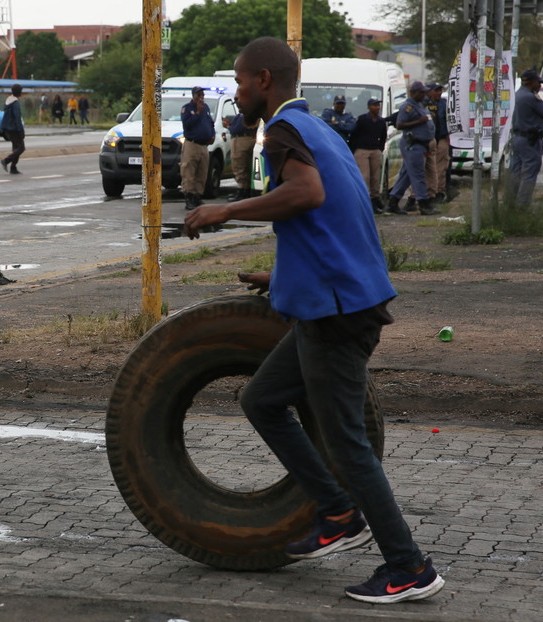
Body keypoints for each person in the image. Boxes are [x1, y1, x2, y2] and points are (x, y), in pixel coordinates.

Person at [184, 37, 445, 605]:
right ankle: (337, 512)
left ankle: (408, 567)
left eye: (240, 79)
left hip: (338, 313)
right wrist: (281, 279)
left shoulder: (281, 132)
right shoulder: (318, 129)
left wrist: (223, 210)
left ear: (264, 81)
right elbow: (334, 220)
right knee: (261, 400)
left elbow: (307, 194)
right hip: (331, 301)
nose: (236, 90)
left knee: (347, 442)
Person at [385, 81, 439, 216]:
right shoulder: (407, 107)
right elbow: (399, 124)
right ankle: (423, 204)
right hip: (413, 144)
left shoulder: (420, 105)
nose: (424, 94)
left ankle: (393, 201)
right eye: (421, 92)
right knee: (418, 174)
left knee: (407, 175)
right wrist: (418, 122)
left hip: (422, 144)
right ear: (413, 93)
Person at [508, 69, 543, 208]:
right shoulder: (531, 96)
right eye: (538, 83)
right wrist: (538, 96)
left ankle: (510, 204)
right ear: (532, 83)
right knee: (529, 173)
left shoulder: (517, 95)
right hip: (530, 140)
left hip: (517, 138)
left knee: (515, 172)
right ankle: (523, 206)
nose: (540, 86)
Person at [179, 85, 216, 210]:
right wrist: (198, 113)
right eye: (199, 95)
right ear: (193, 96)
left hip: (204, 145)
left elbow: (210, 123)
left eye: (202, 95)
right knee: (189, 171)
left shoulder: (205, 108)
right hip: (192, 144)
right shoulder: (187, 108)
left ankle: (197, 197)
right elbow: (187, 124)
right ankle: (189, 197)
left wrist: (212, 134)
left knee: (202, 172)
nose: (201, 98)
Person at [350, 98, 388, 213]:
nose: (377, 107)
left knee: (375, 178)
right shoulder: (362, 119)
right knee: (364, 176)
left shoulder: (381, 121)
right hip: (362, 150)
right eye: (374, 105)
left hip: (375, 150)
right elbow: (354, 135)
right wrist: (355, 149)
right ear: (369, 107)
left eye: (378, 105)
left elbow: (383, 136)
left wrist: (379, 149)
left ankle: (374, 200)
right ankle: (363, 201)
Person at [425, 84, 451, 203]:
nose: (439, 92)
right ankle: (427, 192)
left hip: (441, 139)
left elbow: (449, 121)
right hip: (427, 140)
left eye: (440, 90)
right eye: (436, 90)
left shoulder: (444, 104)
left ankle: (439, 192)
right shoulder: (424, 104)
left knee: (440, 168)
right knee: (427, 168)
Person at [226, 111, 258, 202]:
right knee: (245, 167)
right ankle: (244, 190)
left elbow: (236, 129)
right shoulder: (240, 116)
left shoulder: (246, 115)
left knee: (239, 166)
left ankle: (242, 191)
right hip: (248, 139)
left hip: (241, 140)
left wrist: (229, 127)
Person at [0, 84, 26, 175]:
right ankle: (6, 161)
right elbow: (17, 117)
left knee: (16, 148)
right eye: (21, 91)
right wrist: (20, 130)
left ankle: (13, 168)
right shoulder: (15, 103)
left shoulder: (8, 101)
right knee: (21, 148)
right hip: (14, 128)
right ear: (19, 92)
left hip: (7, 128)